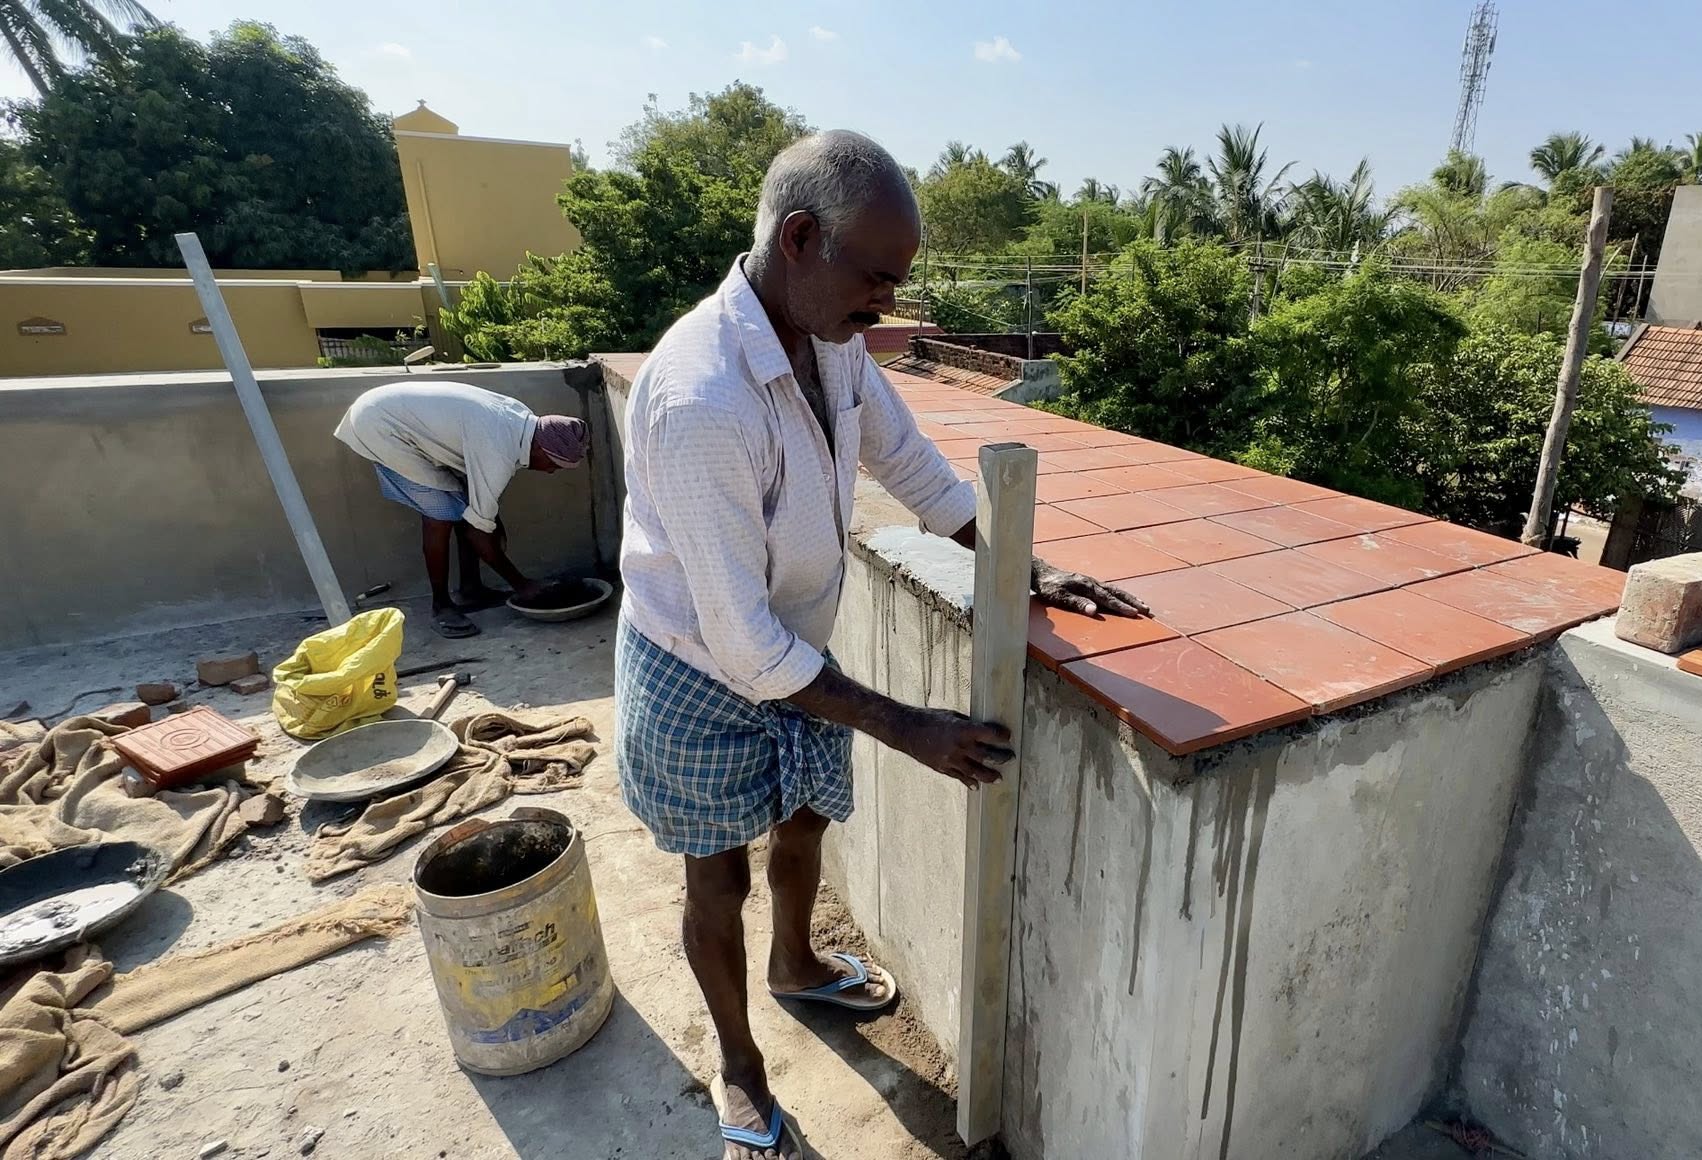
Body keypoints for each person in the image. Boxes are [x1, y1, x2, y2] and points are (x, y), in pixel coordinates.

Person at [614, 130, 1147, 1160]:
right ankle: (739, 1058)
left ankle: (797, 964)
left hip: (790, 645)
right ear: (801, 238)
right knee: (713, 876)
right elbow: (738, 638)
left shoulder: (832, 336)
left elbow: (915, 469)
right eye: (877, 280)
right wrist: (908, 724)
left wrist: (1018, 567)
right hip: (696, 661)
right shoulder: (699, 397)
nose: (887, 308)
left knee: (807, 822)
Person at [334, 381, 589, 638]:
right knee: (441, 514)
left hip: (392, 411)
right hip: (382, 426)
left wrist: (488, 518)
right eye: (554, 464)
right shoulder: (498, 451)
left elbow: (479, 512)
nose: (551, 471)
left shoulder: (522, 421)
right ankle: (441, 606)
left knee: (466, 509)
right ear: (540, 448)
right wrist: (522, 585)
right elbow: (477, 531)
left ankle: (470, 589)